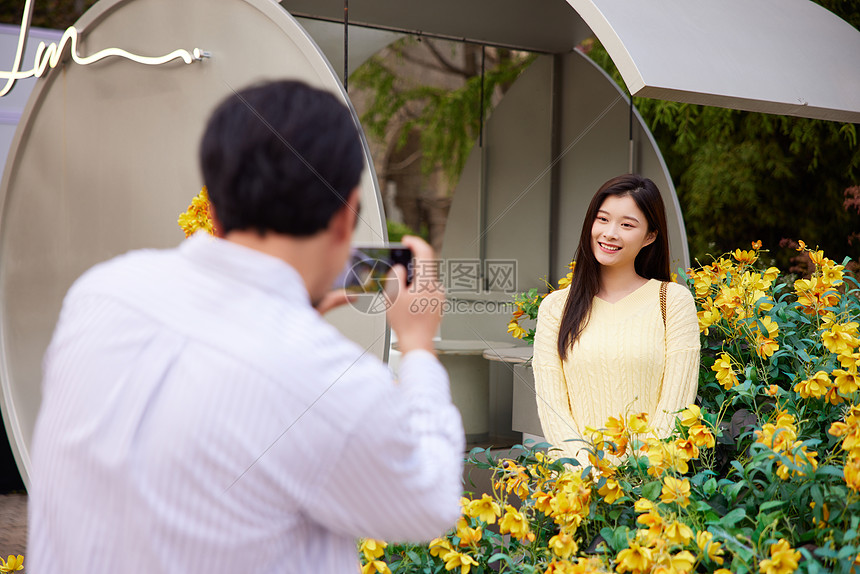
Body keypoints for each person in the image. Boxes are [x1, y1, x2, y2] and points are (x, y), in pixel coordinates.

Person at [27, 80, 465, 573]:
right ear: (345, 219)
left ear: (211, 208)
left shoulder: (99, 295)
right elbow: (430, 501)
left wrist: (293, 318)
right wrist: (419, 344)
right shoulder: (328, 381)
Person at [532, 174, 699, 468]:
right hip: (577, 493)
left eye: (627, 225)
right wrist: (589, 477)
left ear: (650, 236)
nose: (610, 233)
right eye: (603, 219)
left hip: (650, 491)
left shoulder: (672, 301)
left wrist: (639, 476)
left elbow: (676, 405)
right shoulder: (555, 308)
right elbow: (553, 409)